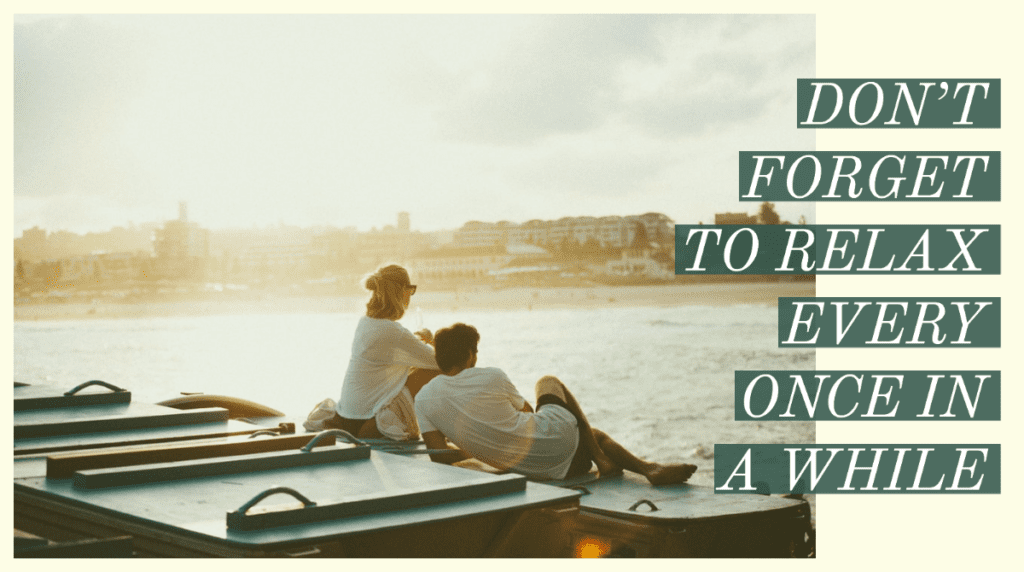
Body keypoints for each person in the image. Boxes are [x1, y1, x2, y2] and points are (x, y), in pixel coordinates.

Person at [414, 322, 698, 484]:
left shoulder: (424, 399)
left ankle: (635, 465)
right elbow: (526, 411)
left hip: (533, 471)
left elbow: (438, 456)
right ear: (468, 354)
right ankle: (639, 467)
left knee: (589, 435)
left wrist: (476, 447)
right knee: (549, 383)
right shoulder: (492, 376)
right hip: (563, 455)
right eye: (474, 352)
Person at [330, 264, 441, 440]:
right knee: (436, 371)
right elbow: (444, 362)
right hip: (371, 422)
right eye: (411, 290)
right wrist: (433, 341)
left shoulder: (365, 323)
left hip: (347, 419)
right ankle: (440, 434)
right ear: (402, 292)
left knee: (412, 370)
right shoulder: (394, 332)